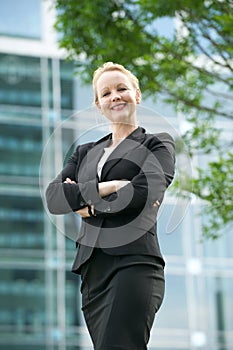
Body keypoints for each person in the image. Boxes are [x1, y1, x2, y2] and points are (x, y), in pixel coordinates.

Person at [46, 62, 175, 350]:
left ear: (137, 95)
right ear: (98, 104)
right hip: (93, 274)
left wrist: (86, 202)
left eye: (121, 89)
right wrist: (111, 187)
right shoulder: (84, 152)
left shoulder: (157, 145)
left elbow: (144, 192)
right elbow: (55, 198)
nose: (115, 96)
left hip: (133, 264)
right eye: (106, 93)